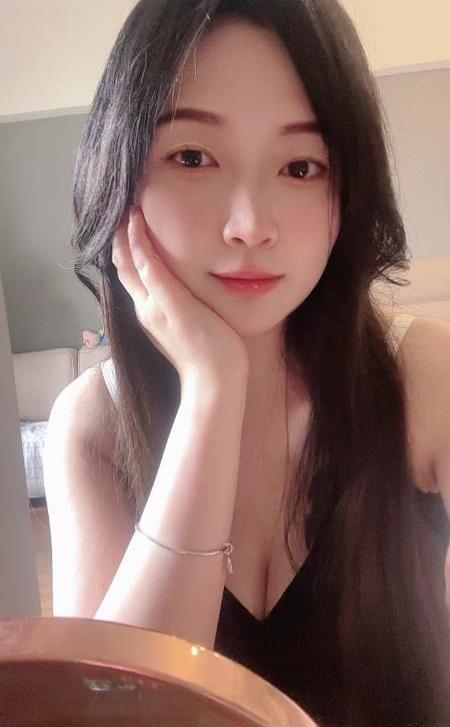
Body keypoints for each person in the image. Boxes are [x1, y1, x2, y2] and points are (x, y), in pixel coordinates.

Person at [43, 1, 450, 725]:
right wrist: (212, 390)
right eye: (192, 157)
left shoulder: (424, 375)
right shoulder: (92, 425)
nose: (250, 225)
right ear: (123, 173)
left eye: (301, 166)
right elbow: (113, 716)